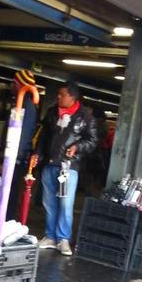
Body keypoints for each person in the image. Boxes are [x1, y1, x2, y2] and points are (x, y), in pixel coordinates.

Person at [34, 81, 97, 256]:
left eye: (62, 95)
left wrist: (77, 147)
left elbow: (92, 141)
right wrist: (37, 153)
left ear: (72, 97)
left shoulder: (85, 116)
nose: (58, 97)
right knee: (49, 203)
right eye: (58, 94)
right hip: (49, 164)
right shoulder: (52, 112)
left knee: (65, 203)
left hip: (67, 167)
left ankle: (63, 239)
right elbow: (43, 136)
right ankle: (50, 236)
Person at [5, 70, 39, 220]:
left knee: (11, 191)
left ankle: (7, 220)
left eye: (13, 82)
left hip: (15, 156)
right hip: (11, 154)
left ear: (19, 85)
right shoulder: (18, 103)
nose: (10, 85)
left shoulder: (27, 107)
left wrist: (15, 155)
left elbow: (24, 133)